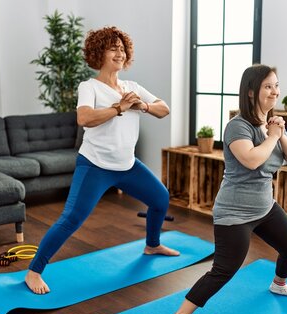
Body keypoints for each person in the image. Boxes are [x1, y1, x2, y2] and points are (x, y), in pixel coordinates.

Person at [25, 26, 179, 295]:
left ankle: (152, 244)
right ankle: (34, 271)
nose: (119, 52)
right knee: (71, 218)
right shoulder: (90, 86)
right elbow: (84, 119)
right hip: (95, 165)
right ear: (99, 53)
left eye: (122, 48)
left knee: (160, 199)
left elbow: (164, 109)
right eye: (113, 48)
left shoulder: (132, 88)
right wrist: (120, 107)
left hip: (127, 165)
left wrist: (140, 105)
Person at [165, 64, 287, 314]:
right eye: (268, 86)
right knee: (224, 269)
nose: (275, 91)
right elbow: (253, 159)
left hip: (264, 207)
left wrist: (281, 133)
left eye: (276, 85)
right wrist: (273, 137)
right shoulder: (237, 127)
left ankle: (279, 284)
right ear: (252, 91)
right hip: (234, 212)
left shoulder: (271, 125)